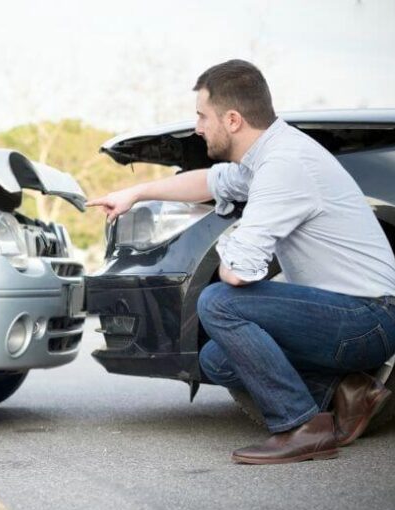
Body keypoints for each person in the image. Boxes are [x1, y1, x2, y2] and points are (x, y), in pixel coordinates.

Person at [88, 59, 395, 465]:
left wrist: (236, 240)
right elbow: (207, 181)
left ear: (232, 120)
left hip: (368, 319)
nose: (197, 127)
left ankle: (302, 426)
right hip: (347, 315)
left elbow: (237, 273)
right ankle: (345, 391)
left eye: (202, 116)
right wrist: (135, 193)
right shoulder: (270, 156)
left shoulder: (284, 166)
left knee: (217, 302)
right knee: (216, 358)